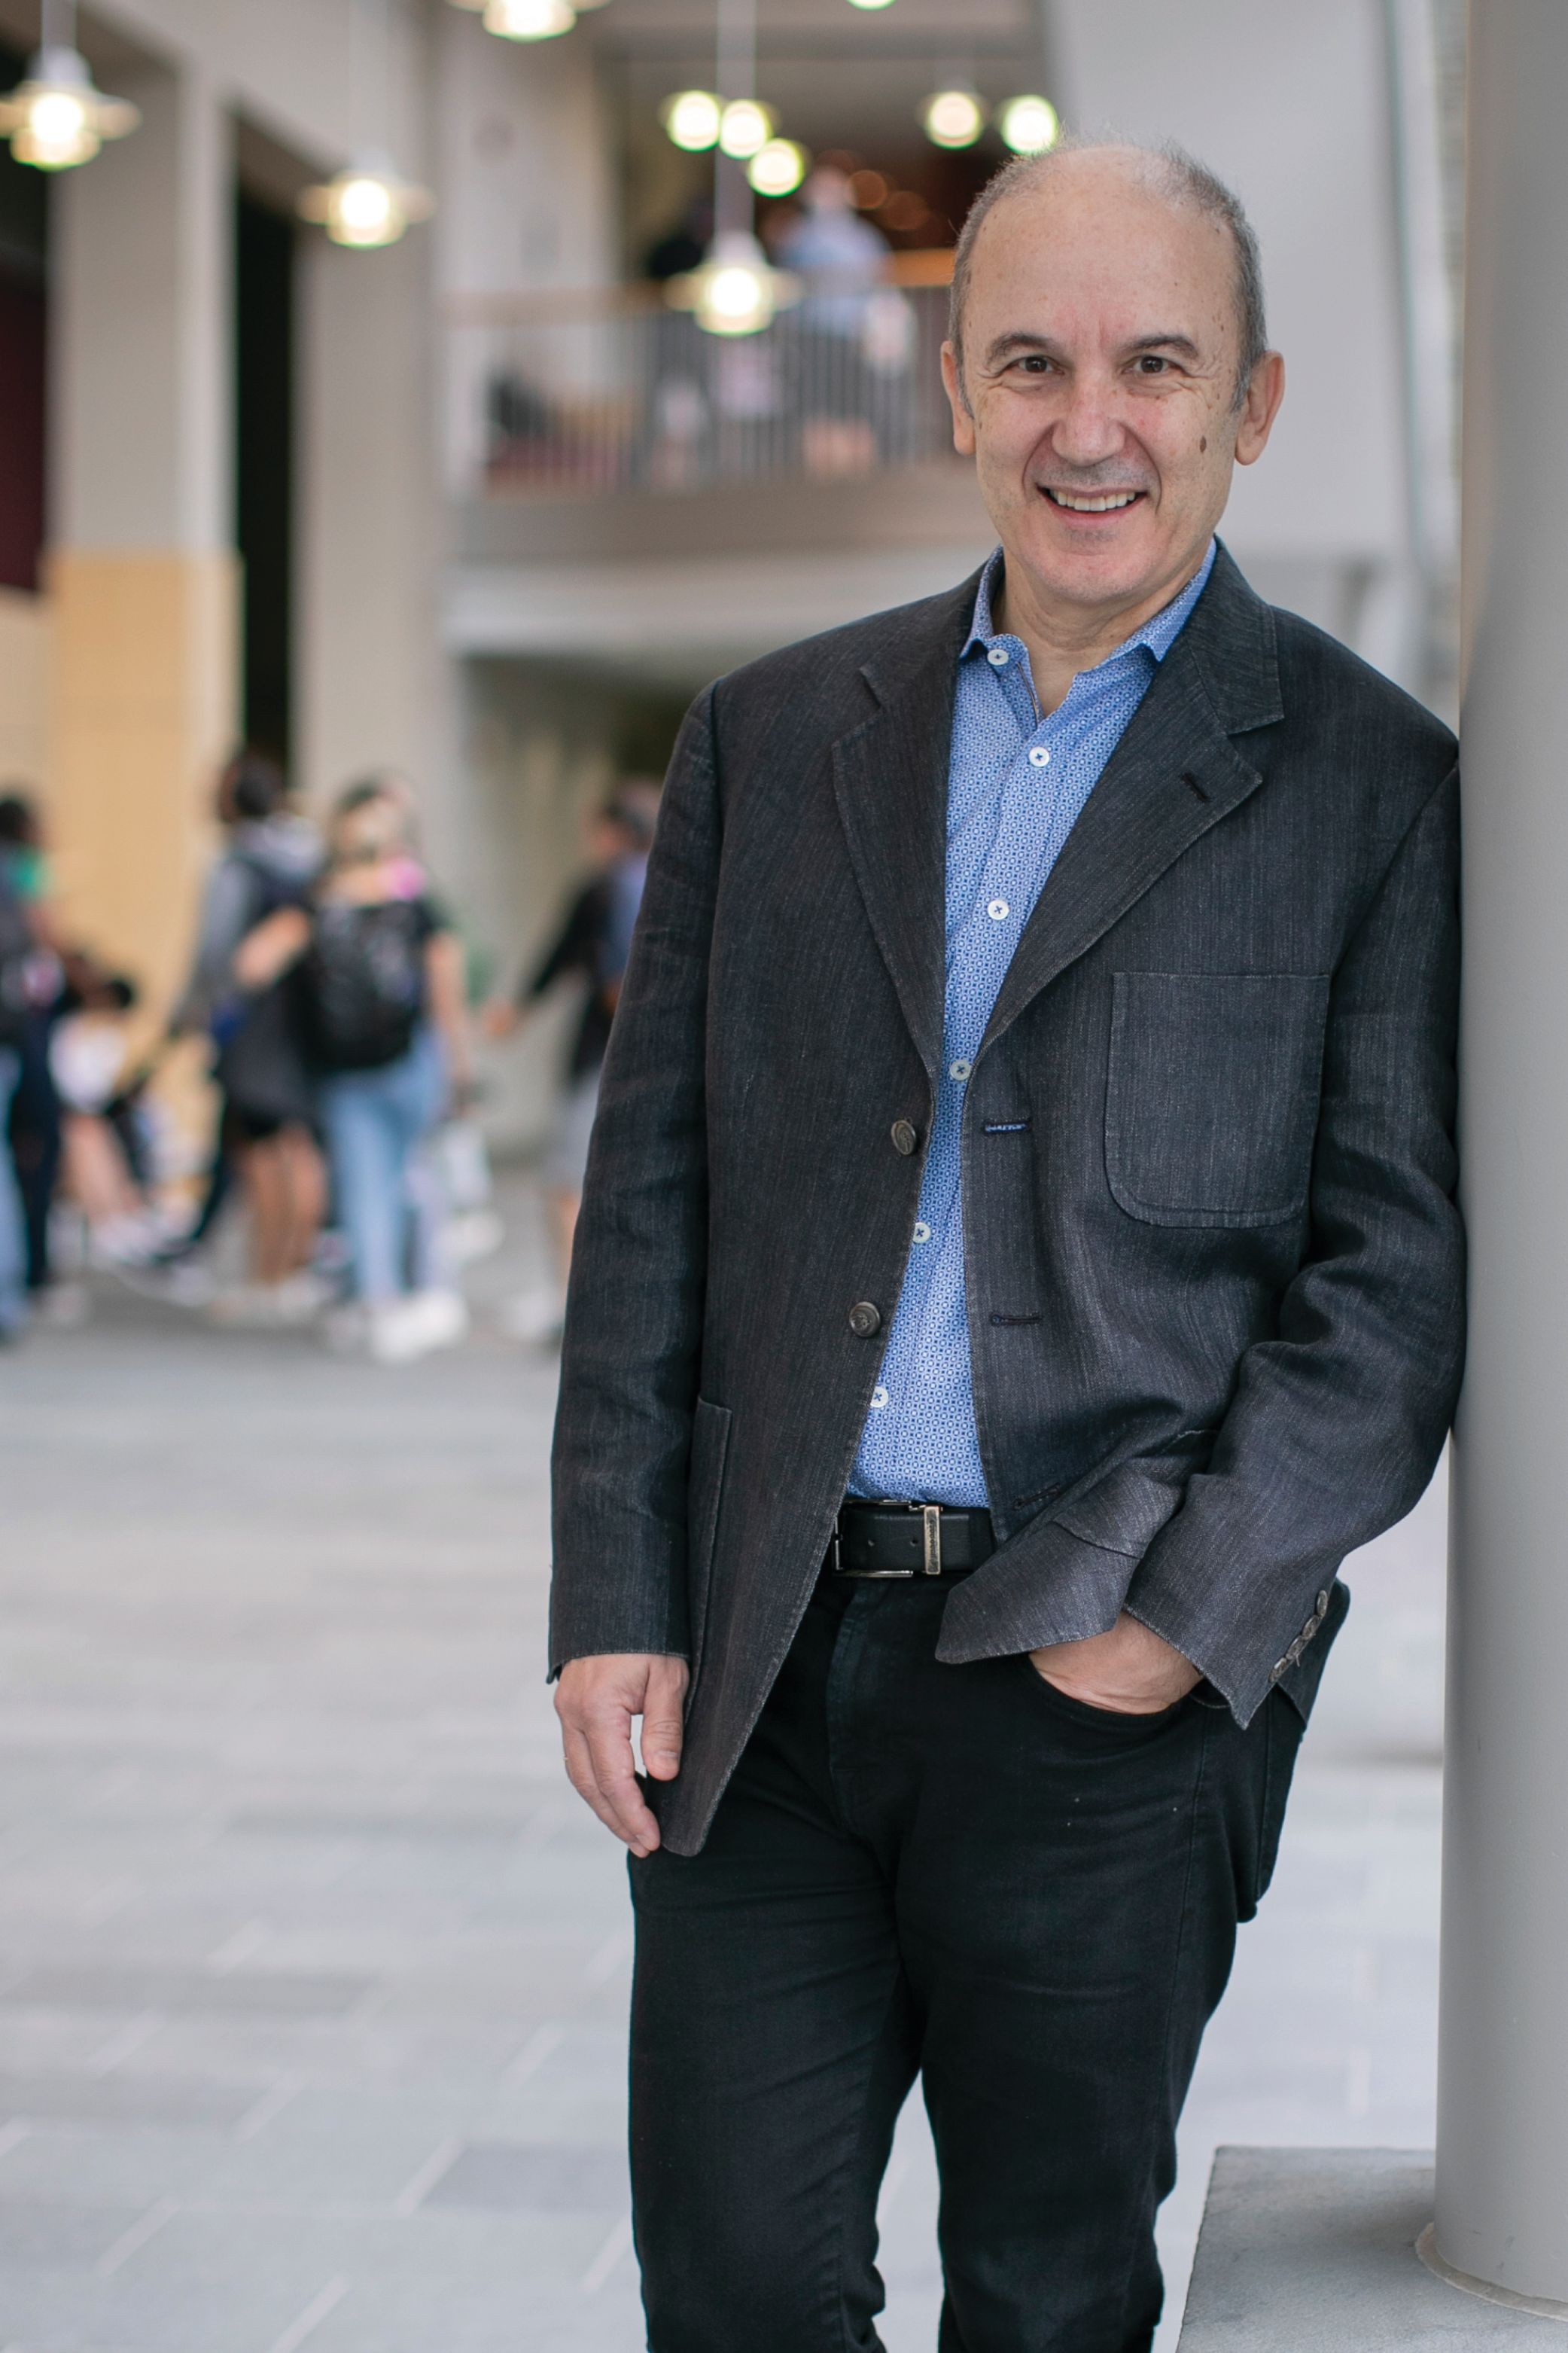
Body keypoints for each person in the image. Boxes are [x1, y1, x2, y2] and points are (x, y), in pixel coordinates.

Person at [548, 139, 1463, 2353]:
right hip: (758, 1668)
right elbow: (655, 1191)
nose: (1090, 424)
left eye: (1155, 365)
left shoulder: (1375, 780)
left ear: (1248, 403)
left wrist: (1186, 1612)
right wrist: (612, 1598)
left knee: (1046, 2301)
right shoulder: (773, 738)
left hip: (1101, 1676)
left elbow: (1394, 1276)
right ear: (952, 387)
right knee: (739, 2292)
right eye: (1033, 361)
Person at [236, 781, 473, 1365]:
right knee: (414, 1174)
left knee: (366, 1186)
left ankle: (376, 1301)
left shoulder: (318, 900)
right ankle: (432, 1291)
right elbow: (444, 979)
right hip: (410, 1057)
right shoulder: (411, 896)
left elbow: (251, 966)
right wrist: (458, 1061)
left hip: (344, 1069)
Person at [170, 752, 326, 1323]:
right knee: (300, 1146)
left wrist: (186, 1015)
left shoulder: (236, 864)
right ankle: (295, 1272)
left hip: (253, 1027)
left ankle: (266, 1275)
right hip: (306, 1026)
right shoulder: (309, 852)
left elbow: (214, 957)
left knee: (258, 1150)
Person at [487, 787, 657, 1303]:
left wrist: (516, 1010)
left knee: (566, 1178)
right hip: (655, 1060)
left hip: (604, 1056)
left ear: (613, 831)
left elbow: (582, 964)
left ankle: (571, 1295)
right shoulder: (670, 885)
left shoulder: (608, 886)